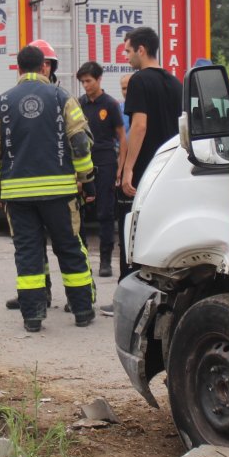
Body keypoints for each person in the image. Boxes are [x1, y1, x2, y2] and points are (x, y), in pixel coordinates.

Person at [0, 44, 97, 332]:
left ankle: (32, 316)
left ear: (18, 69)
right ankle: (82, 310)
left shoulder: (2, 102)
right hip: (59, 193)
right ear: (44, 67)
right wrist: (86, 178)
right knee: (70, 248)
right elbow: (80, 141)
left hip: (17, 196)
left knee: (28, 252)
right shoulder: (62, 97)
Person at [118, 26, 181, 279]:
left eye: (128, 51)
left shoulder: (139, 81)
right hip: (170, 170)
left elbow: (139, 125)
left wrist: (128, 168)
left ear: (141, 50)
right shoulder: (176, 82)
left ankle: (129, 287)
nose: (126, 56)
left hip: (146, 169)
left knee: (133, 231)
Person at [76, 61, 126, 278]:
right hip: (84, 161)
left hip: (106, 161)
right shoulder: (79, 105)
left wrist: (121, 166)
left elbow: (122, 137)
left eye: (89, 81)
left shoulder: (110, 105)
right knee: (82, 212)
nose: (86, 85)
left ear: (99, 80)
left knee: (105, 212)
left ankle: (105, 261)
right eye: (83, 82)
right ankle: (83, 258)